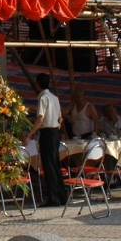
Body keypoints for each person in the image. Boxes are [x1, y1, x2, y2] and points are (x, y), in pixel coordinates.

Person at [29, 75, 66, 207]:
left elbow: (40, 118)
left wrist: (30, 133)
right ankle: (61, 195)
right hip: (55, 132)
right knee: (55, 165)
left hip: (47, 133)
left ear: (38, 84)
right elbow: (60, 119)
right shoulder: (55, 98)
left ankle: (54, 198)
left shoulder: (43, 98)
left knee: (49, 166)